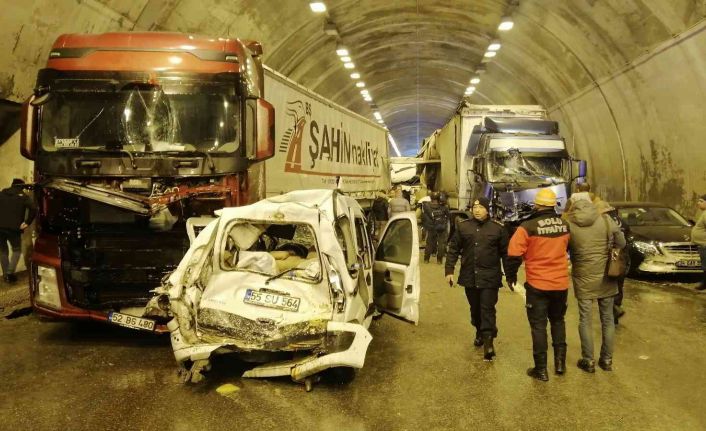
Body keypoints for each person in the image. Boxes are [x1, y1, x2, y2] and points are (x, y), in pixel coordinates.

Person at [445, 197, 519, 360]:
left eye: (480, 207)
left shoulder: (498, 229)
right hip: (469, 276)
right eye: (474, 207)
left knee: (487, 309)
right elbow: (454, 249)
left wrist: (510, 276)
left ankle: (488, 343)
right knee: (475, 309)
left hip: (490, 278)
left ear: (487, 209)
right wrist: (449, 270)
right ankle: (480, 330)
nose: (477, 210)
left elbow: (506, 255)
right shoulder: (463, 227)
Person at [508, 188, 570, 381]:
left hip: (538, 284)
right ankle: (560, 365)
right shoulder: (564, 224)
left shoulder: (527, 227)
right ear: (553, 205)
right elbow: (569, 248)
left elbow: (513, 255)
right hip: (560, 284)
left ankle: (541, 370)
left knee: (538, 326)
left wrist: (511, 278)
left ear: (537, 204)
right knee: (558, 322)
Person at [565, 199, 626, 373]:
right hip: (606, 275)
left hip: (583, 275)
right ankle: (606, 360)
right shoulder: (607, 220)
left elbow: (564, 247)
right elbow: (621, 243)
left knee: (585, 319)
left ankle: (588, 360)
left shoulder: (569, 224)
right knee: (607, 319)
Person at [0, 179, 37, 284]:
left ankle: (6, 275)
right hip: (14, 229)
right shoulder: (24, 197)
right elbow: (34, 208)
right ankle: (10, 273)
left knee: (3, 251)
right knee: (16, 250)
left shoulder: (1, 193)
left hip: (0, 228)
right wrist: (27, 222)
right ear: (21, 186)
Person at [422, 193, 449, 264]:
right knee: (441, 244)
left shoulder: (427, 206)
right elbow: (448, 216)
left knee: (429, 244)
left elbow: (424, 217)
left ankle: (426, 259)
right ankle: (439, 260)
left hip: (431, 228)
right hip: (441, 228)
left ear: (431, 198)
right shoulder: (444, 207)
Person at [693, 194, 706, 291]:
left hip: (705, 244)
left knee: (705, 265)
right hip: (702, 244)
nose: (698, 203)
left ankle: (704, 284)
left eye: (701, 201)